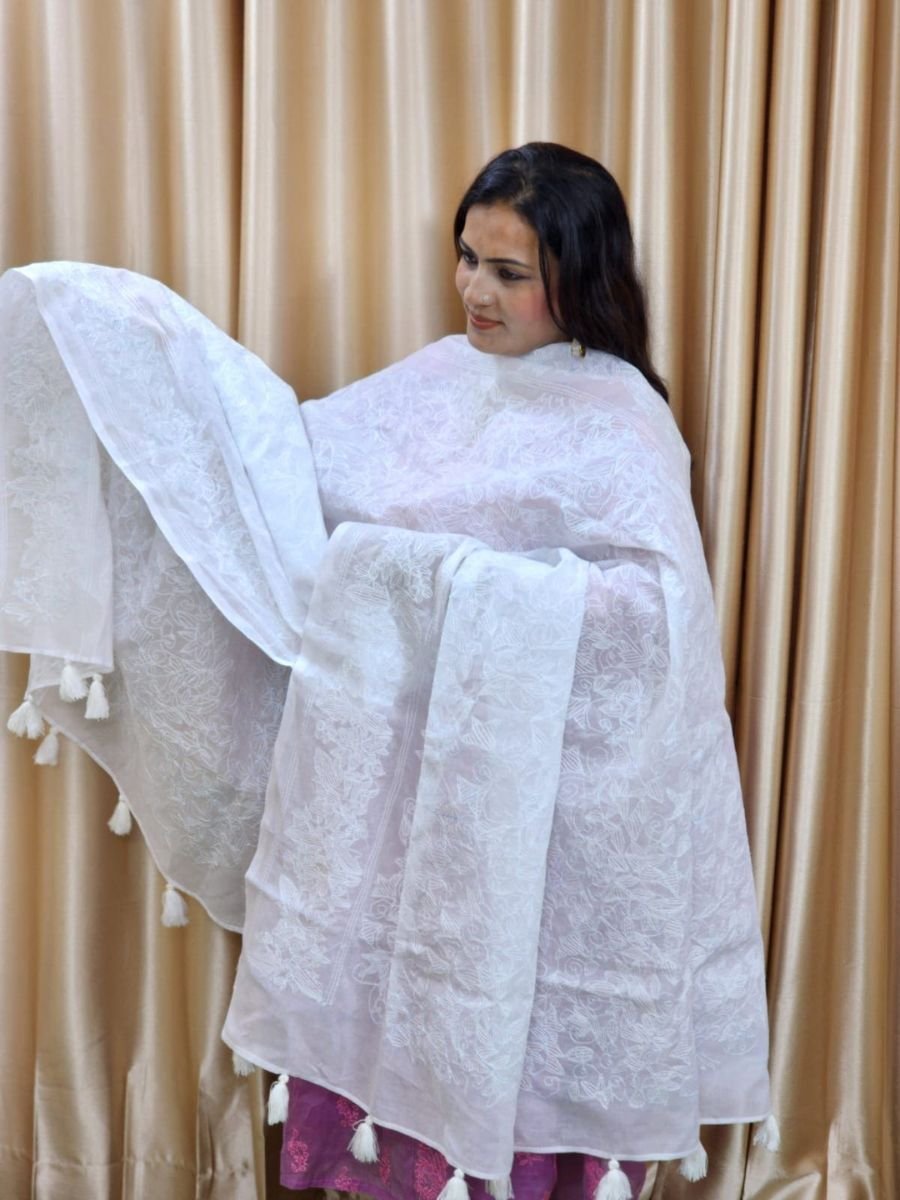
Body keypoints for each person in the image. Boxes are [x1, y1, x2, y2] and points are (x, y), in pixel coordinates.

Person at [0, 144, 775, 1200]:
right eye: (468, 258)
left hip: (539, 835)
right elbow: (283, 474)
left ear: (580, 276)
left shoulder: (622, 421)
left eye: (509, 272)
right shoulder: (434, 378)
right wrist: (147, 357)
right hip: (399, 819)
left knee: (511, 1042)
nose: (475, 290)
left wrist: (455, 585)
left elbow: (656, 625)